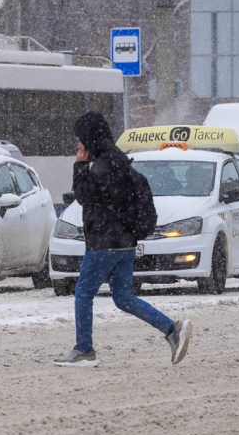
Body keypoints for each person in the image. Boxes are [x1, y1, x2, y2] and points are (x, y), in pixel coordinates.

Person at [54, 113, 193, 367]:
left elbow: (84, 196)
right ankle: (172, 330)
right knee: (124, 298)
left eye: (79, 140)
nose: (78, 145)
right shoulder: (120, 161)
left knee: (83, 293)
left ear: (88, 138)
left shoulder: (103, 166)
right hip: (125, 243)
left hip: (104, 243)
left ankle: (84, 349)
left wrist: (79, 166)